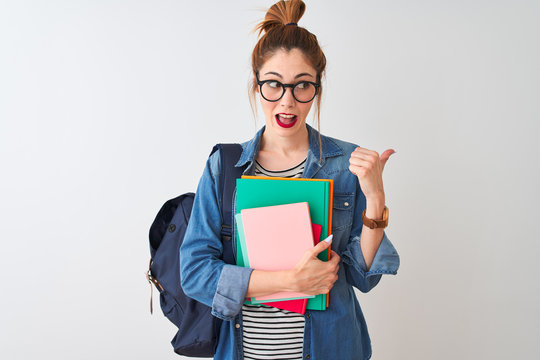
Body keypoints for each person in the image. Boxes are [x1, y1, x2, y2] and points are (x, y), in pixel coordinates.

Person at [180, 1, 400, 359]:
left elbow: (364, 277)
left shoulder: (347, 163)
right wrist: (289, 283)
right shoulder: (225, 166)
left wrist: (375, 200)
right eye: (274, 85)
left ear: (317, 87)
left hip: (330, 348)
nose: (287, 101)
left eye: (302, 86)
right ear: (256, 85)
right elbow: (194, 273)